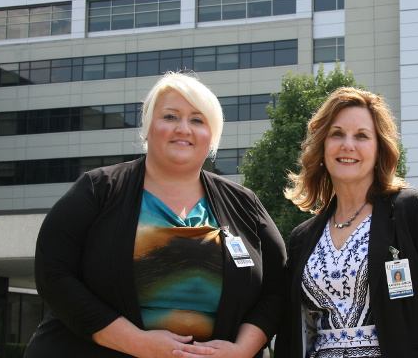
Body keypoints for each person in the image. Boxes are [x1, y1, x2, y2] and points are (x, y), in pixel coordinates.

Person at [26, 72, 287, 358]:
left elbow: (277, 289)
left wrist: (242, 350)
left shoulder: (244, 204)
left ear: (212, 135)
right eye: (170, 117)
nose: (183, 129)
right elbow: (53, 274)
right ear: (148, 127)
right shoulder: (97, 190)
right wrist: (134, 341)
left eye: (197, 120)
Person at [275, 87, 418, 358]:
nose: (348, 145)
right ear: (322, 146)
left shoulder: (414, 210)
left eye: (361, 136)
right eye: (337, 134)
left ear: (379, 148)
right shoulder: (303, 237)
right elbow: (291, 332)